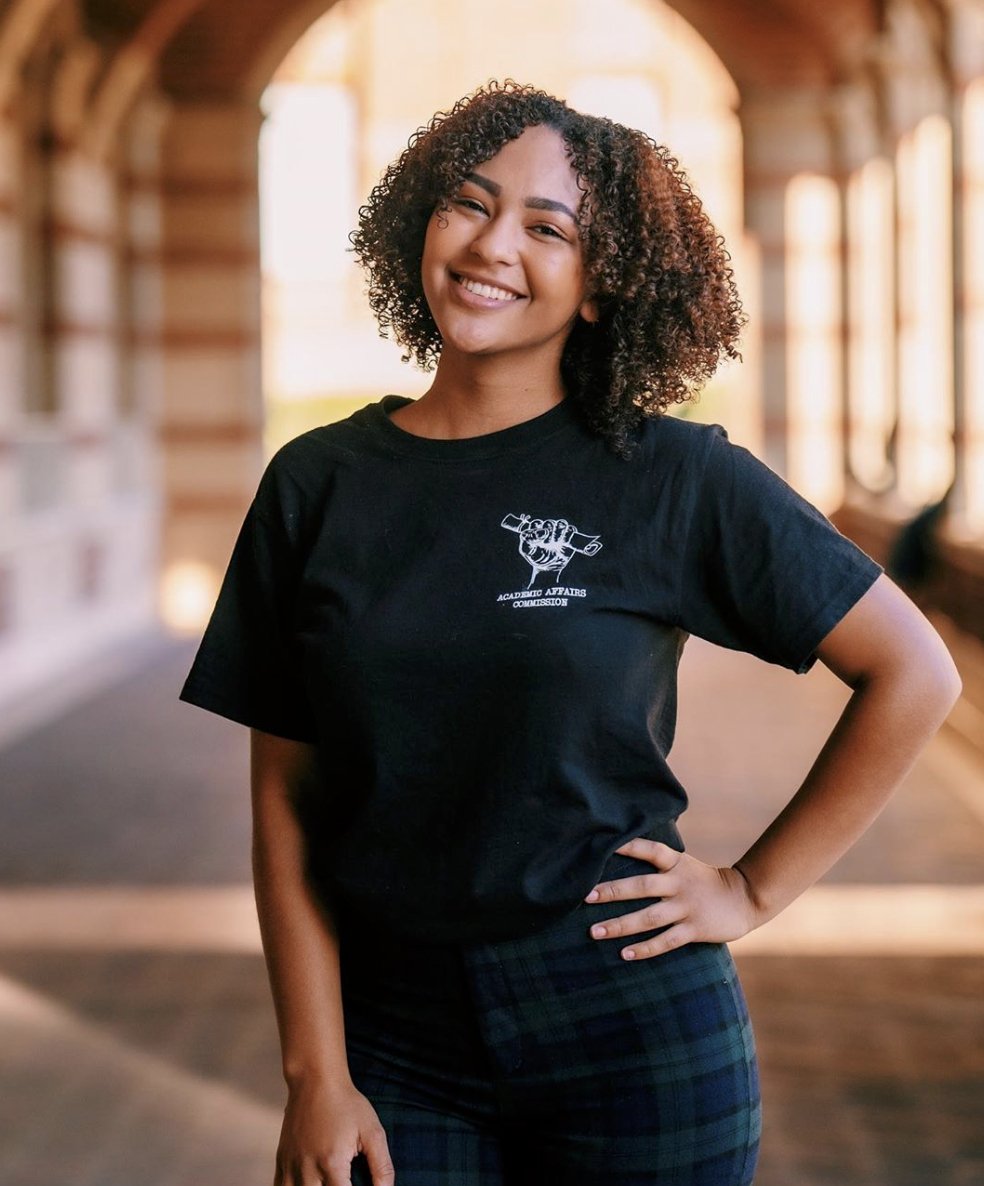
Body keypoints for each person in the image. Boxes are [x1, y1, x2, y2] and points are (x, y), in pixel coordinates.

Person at [178, 81, 962, 1186]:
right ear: (421, 223)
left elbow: (913, 671)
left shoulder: (672, 476)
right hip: (391, 1040)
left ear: (601, 288)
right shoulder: (318, 484)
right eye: (470, 203)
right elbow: (286, 804)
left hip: (628, 1021)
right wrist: (317, 1073)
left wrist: (750, 888)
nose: (495, 245)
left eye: (549, 228)